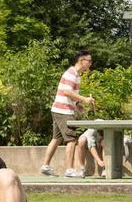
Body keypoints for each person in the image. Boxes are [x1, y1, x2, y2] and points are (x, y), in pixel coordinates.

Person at [40, 50, 95, 178]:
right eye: (89, 61)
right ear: (82, 61)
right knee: (71, 139)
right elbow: (66, 91)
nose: (90, 64)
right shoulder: (72, 73)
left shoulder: (77, 74)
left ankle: (45, 166)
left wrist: (77, 104)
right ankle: (69, 170)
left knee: (57, 138)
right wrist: (84, 99)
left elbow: (69, 93)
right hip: (64, 111)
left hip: (58, 109)